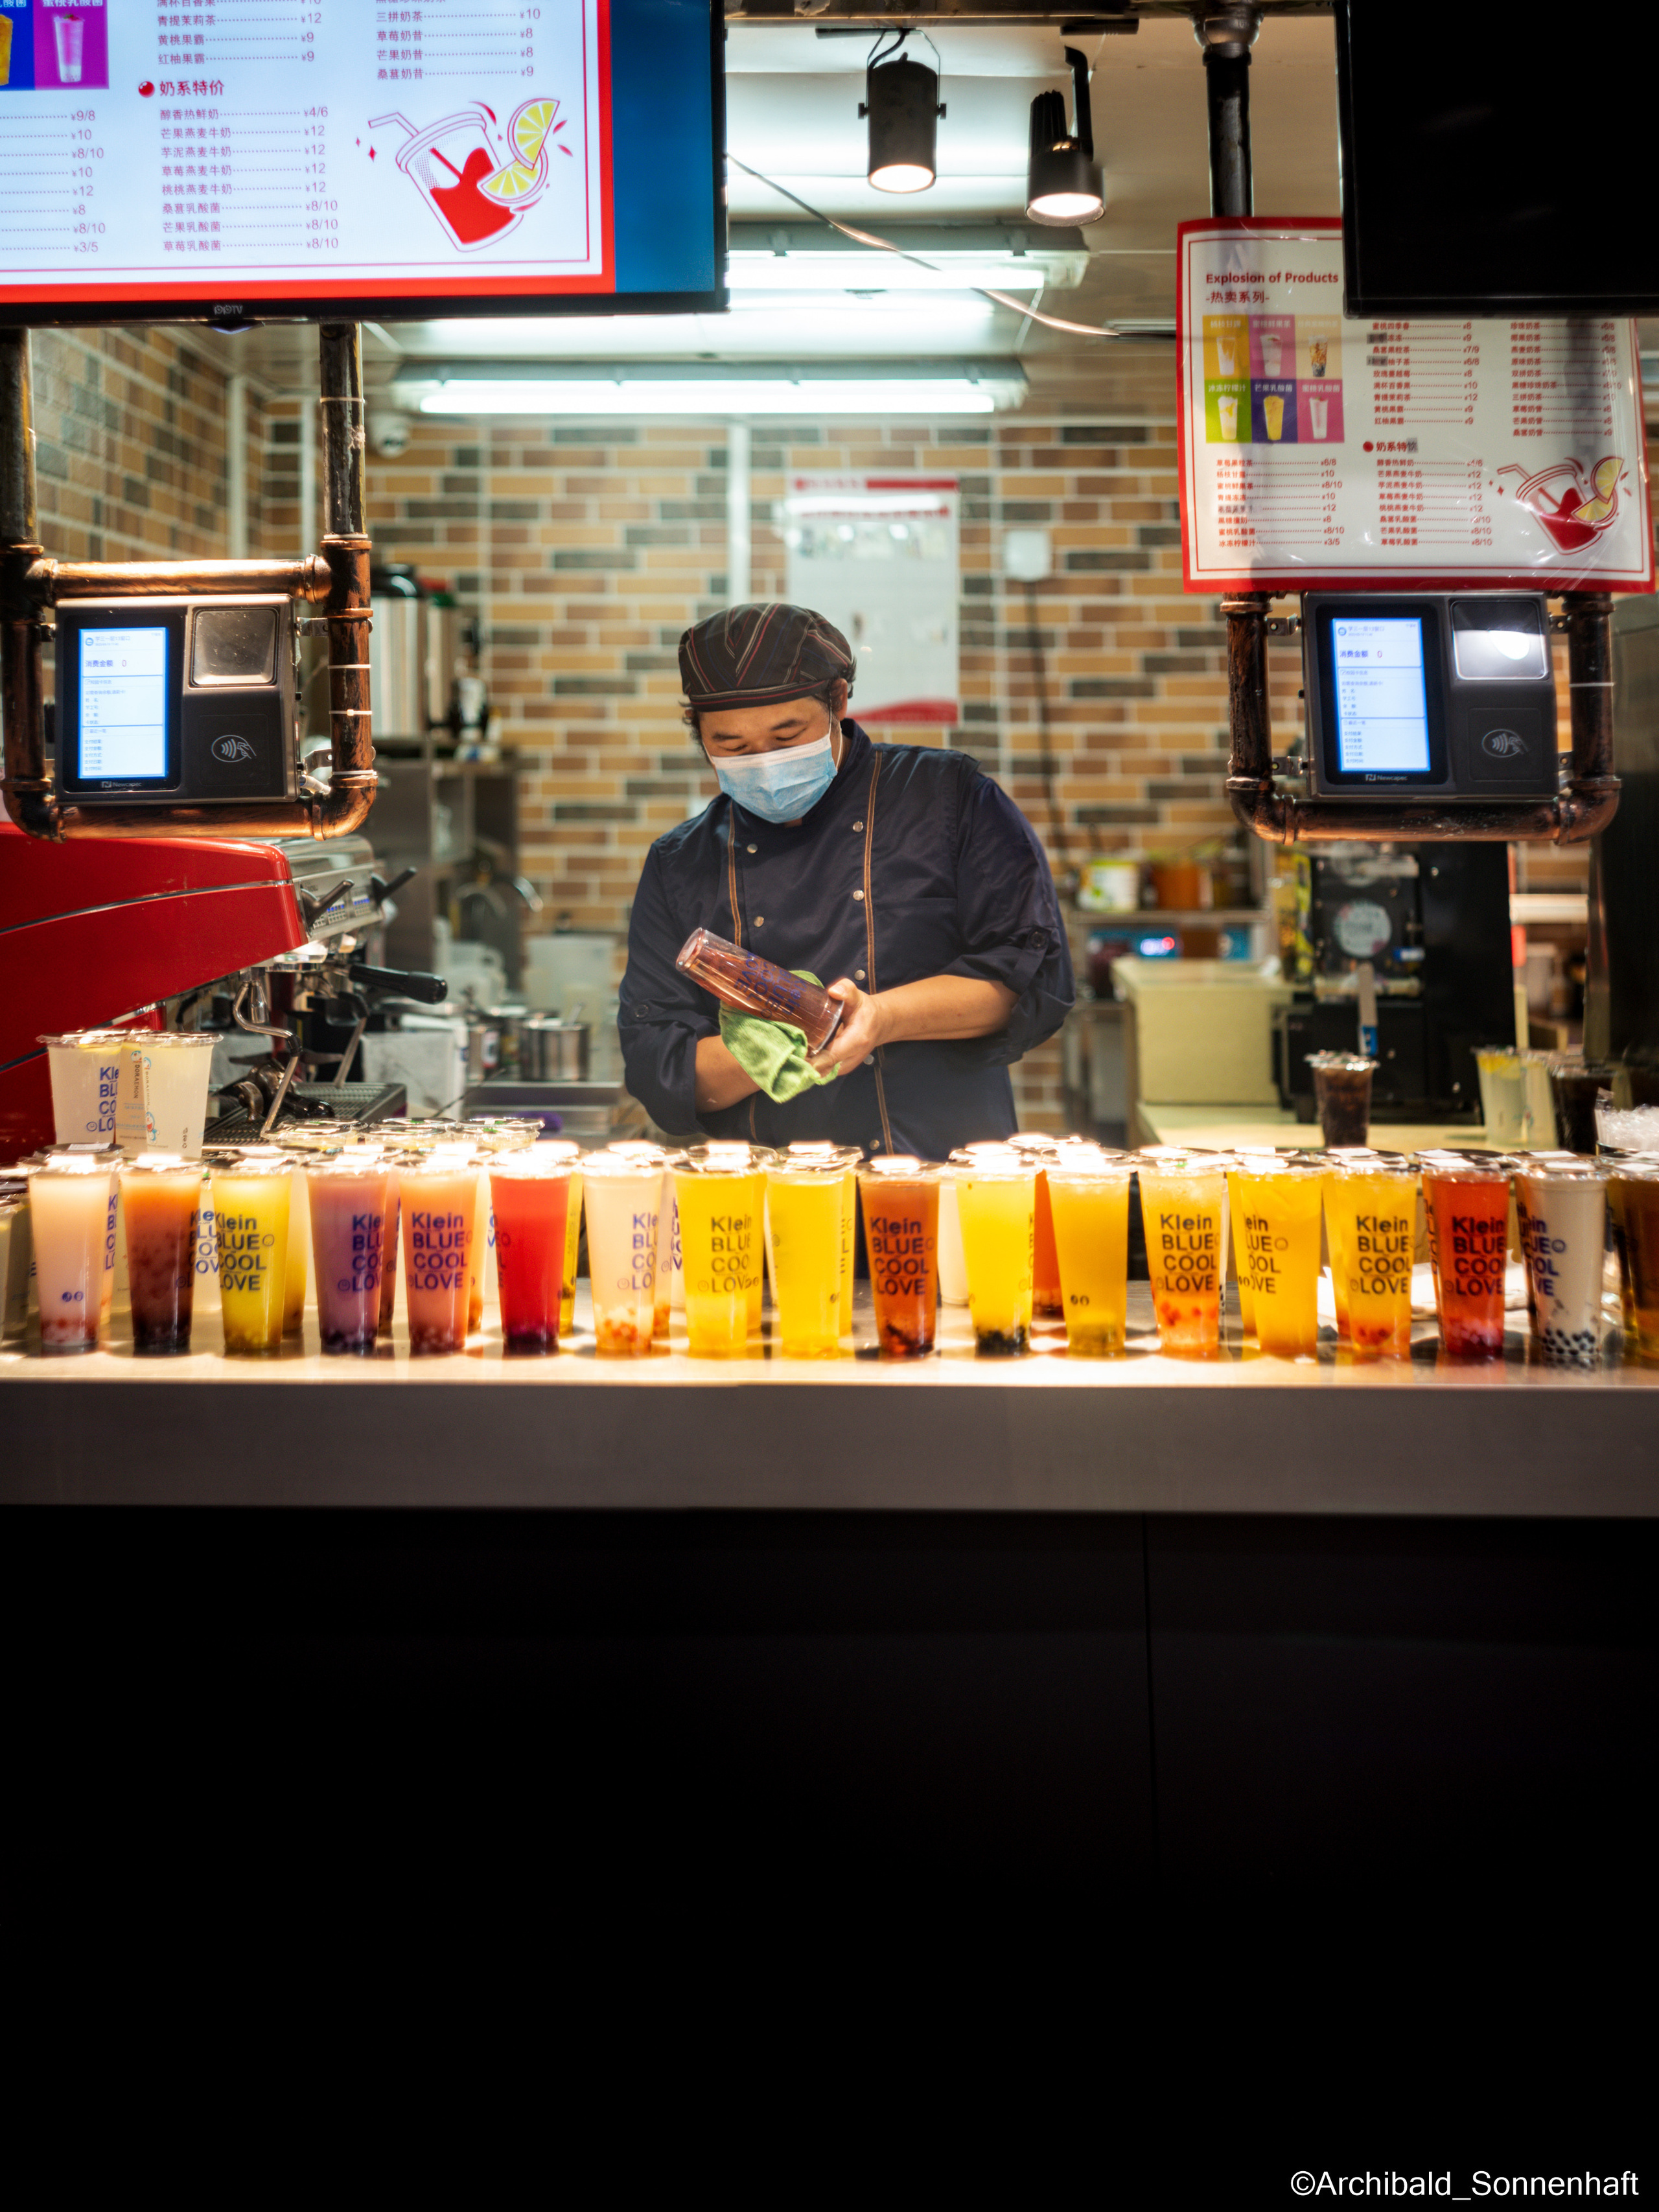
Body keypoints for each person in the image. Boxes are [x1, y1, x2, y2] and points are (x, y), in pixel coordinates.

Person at [618, 601, 1073, 1156]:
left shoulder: (948, 800)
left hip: (951, 1179)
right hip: (769, 1196)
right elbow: (660, 1068)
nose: (763, 762)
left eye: (787, 736)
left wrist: (880, 1018)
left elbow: (1031, 977)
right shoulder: (680, 864)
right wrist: (777, 1041)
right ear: (698, 732)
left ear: (837, 701)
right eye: (732, 747)